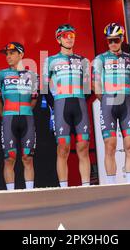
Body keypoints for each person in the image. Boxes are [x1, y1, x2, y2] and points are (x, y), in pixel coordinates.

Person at [42, 24, 91, 187]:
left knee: (83, 147)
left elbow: (88, 88)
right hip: (61, 105)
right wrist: (54, 105)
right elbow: (43, 87)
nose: (69, 38)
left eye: (71, 35)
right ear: (58, 39)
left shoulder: (83, 60)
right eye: (65, 36)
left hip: (80, 105)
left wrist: (82, 101)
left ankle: (86, 186)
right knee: (63, 148)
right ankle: (64, 188)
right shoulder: (49, 60)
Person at [92, 23, 130, 184]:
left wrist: (125, 97)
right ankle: (112, 186)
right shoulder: (100, 59)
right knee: (110, 145)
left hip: (126, 102)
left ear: (122, 39)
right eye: (109, 41)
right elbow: (96, 86)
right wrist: (106, 99)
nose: (113, 43)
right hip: (108, 103)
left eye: (116, 40)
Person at [0, 42, 38, 190]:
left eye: (12, 53)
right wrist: (5, 115)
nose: (8, 56)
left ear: (21, 55)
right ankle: (10, 194)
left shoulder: (32, 75)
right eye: (7, 54)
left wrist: (25, 111)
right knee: (9, 158)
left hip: (27, 118)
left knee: (28, 158)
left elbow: (34, 98)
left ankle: (30, 192)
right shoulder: (0, 75)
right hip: (9, 118)